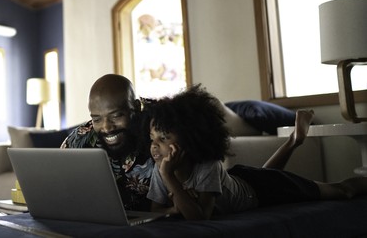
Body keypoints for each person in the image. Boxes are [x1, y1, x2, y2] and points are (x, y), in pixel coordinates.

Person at [146, 84, 367, 220]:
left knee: (340, 191)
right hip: (244, 182)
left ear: (190, 138)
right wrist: (169, 210)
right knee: (266, 176)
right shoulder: (160, 166)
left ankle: (361, 177)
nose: (155, 146)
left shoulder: (206, 165)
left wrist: (169, 179)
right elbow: (156, 210)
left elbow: (199, 217)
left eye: (164, 139)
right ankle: (294, 140)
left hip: (258, 188)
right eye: (152, 139)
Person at [61, 74, 154, 211]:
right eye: (97, 119)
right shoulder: (80, 140)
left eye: (116, 116)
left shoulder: (159, 133)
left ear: (135, 107)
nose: (106, 128)